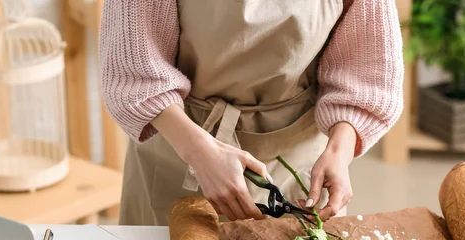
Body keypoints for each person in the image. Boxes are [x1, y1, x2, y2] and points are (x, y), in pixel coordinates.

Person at [99, 0, 404, 226]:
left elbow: (368, 68)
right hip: (178, 146)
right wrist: (200, 153)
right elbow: (135, 72)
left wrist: (339, 152)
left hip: (299, 162)